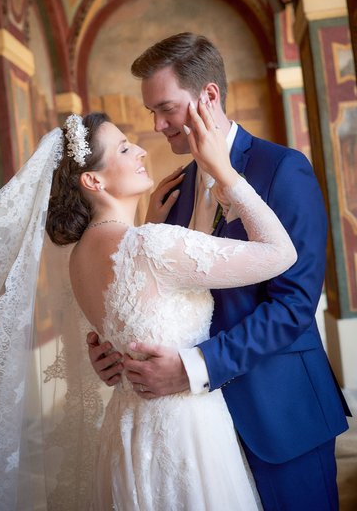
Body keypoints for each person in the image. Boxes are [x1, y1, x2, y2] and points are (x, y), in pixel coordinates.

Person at [0, 106, 296, 510]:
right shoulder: (148, 245)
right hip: (185, 432)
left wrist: (161, 224)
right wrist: (226, 174)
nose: (140, 150)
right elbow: (280, 253)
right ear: (93, 180)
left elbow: (152, 300)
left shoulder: (80, 256)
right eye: (123, 148)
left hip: (128, 430)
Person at [87, 32, 351, 511]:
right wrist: (117, 354)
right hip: (198, 434)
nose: (158, 125)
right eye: (151, 112)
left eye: (166, 108)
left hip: (280, 413)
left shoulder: (282, 169)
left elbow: (293, 304)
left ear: (208, 95)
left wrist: (195, 369)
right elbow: (160, 297)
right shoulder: (171, 189)